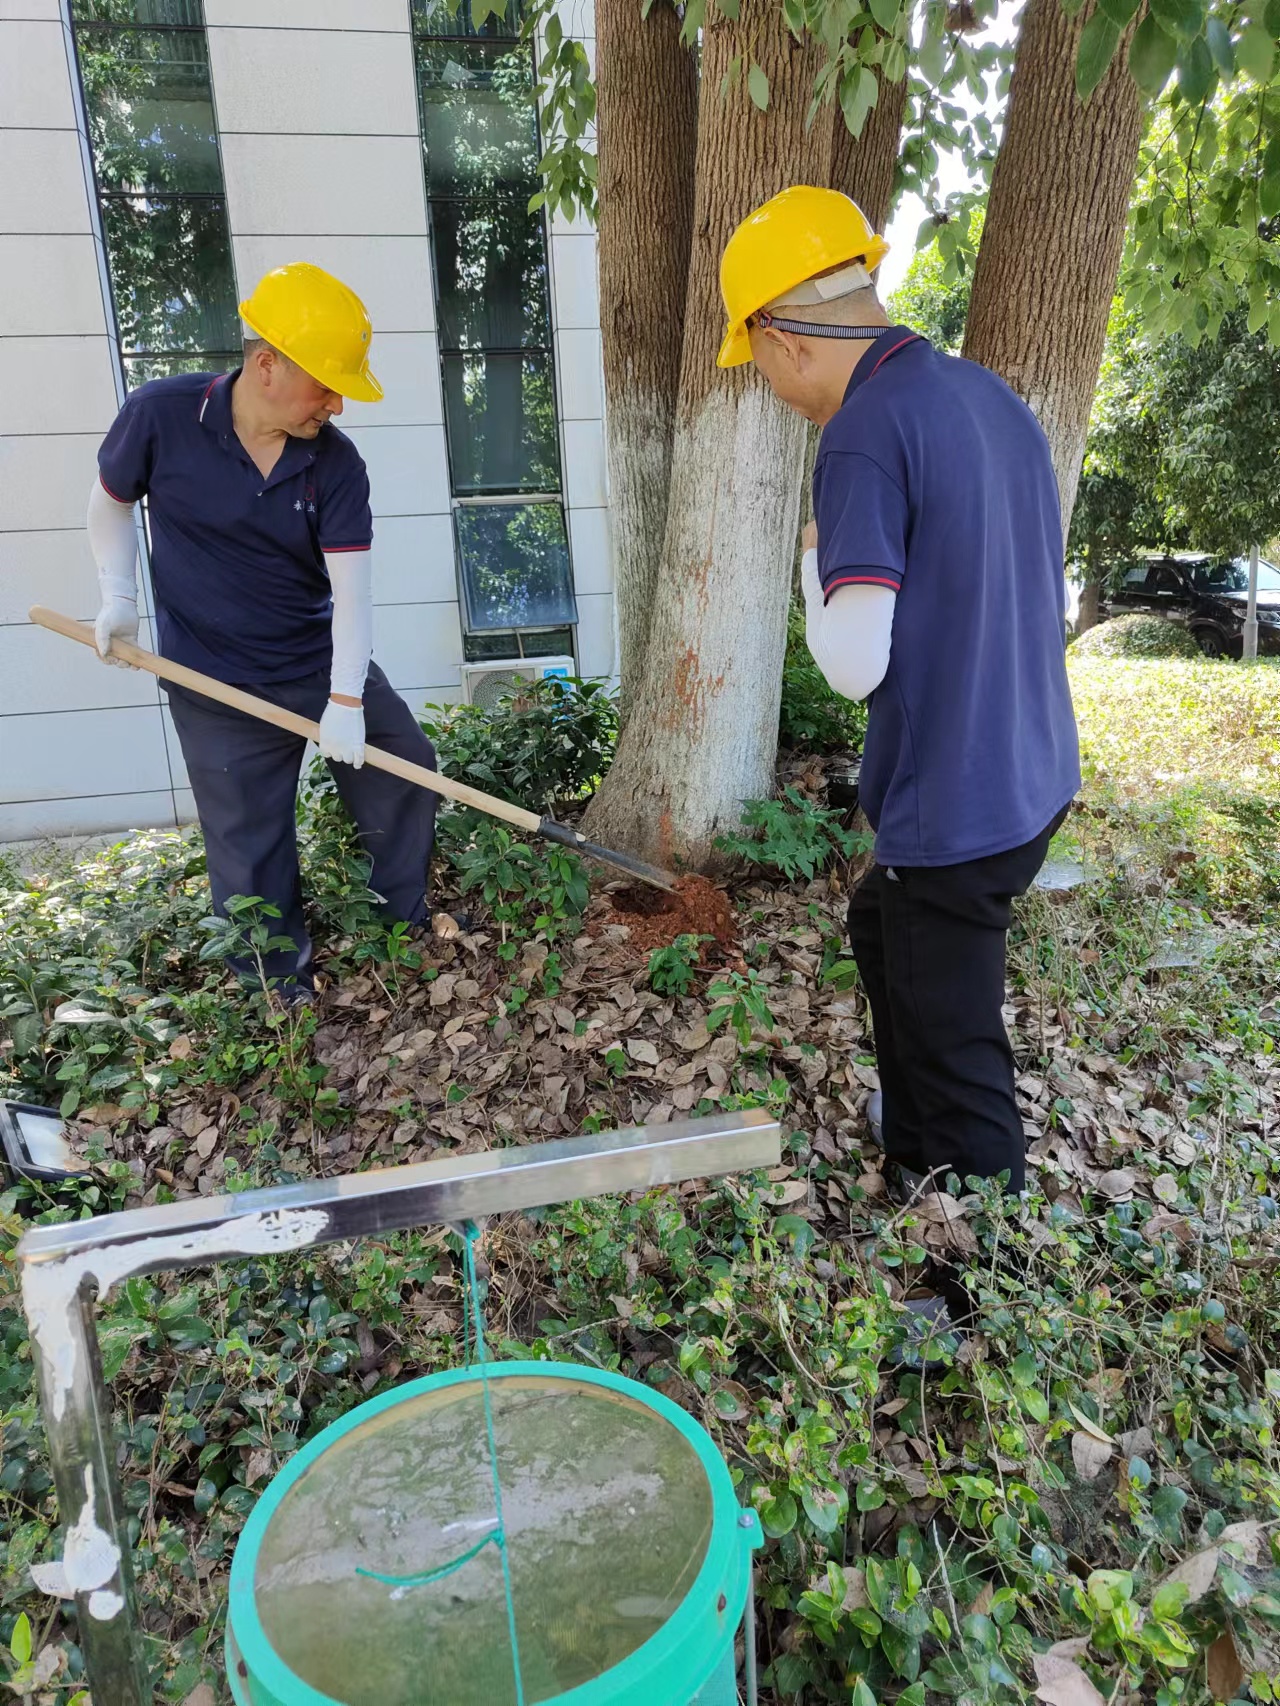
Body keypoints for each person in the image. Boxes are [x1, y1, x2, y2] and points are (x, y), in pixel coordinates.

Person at [718, 186, 1080, 1203]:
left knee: (957, 1039)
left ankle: (971, 1283)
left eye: (758, 365)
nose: (775, 390)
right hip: (1029, 768)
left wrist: (809, 563)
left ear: (785, 339)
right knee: (879, 926)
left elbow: (851, 664)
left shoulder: (862, 431)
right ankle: (911, 1124)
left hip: (952, 807)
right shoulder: (986, 396)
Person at [89, 262, 440, 999]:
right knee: (248, 847)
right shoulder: (160, 416)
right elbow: (110, 503)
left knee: (404, 771)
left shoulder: (335, 464)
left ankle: (401, 934)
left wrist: (346, 701)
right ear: (267, 363)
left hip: (317, 661)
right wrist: (117, 595)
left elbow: (353, 593)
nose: (337, 403)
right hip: (212, 679)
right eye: (326, 384)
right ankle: (274, 988)